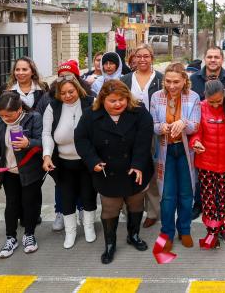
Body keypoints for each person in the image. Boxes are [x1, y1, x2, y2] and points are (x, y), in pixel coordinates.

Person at [74, 80, 153, 264]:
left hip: (135, 169)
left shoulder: (139, 112)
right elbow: (81, 139)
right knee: (110, 209)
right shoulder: (90, 115)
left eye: (122, 99)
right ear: (103, 100)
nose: (118, 104)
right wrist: (92, 161)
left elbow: (144, 139)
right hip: (107, 171)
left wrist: (138, 164)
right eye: (113, 101)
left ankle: (133, 236)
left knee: (136, 205)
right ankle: (110, 244)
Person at [42, 64, 96, 249]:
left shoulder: (91, 102)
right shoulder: (52, 107)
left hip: (86, 161)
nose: (67, 96)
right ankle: (70, 232)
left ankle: (89, 227)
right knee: (66, 197)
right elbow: (47, 134)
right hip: (63, 162)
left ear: (78, 88)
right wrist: (47, 156)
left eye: (71, 91)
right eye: (63, 93)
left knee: (88, 195)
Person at [0, 92, 45, 258]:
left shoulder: (33, 118)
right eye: (2, 115)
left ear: (19, 109)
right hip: (9, 171)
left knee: (29, 203)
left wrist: (29, 143)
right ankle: (11, 238)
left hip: (30, 171)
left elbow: (43, 141)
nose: (6, 118)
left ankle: (29, 235)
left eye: (9, 115)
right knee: (11, 204)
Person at [149, 63, 201, 251]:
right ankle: (167, 232)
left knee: (187, 194)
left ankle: (185, 230)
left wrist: (183, 123)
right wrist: (161, 127)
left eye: (176, 82)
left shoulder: (193, 97)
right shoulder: (156, 97)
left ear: (184, 81)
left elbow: (195, 125)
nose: (172, 86)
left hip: (186, 151)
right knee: (167, 195)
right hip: (166, 151)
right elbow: (153, 124)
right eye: (168, 81)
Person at [191, 80, 225, 247]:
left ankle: (224, 228)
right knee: (208, 198)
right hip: (206, 163)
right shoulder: (199, 107)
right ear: (205, 97)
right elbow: (195, 132)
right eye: (211, 101)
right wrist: (196, 143)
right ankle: (212, 230)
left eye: (218, 101)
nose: (215, 105)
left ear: (224, 95)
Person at [120, 44, 163, 229]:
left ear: (152, 58)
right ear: (134, 58)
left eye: (146, 56)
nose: (143, 59)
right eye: (139, 56)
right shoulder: (125, 80)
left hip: (155, 133)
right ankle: (130, 209)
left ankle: (153, 212)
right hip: (129, 133)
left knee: (152, 173)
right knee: (129, 171)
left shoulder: (161, 80)